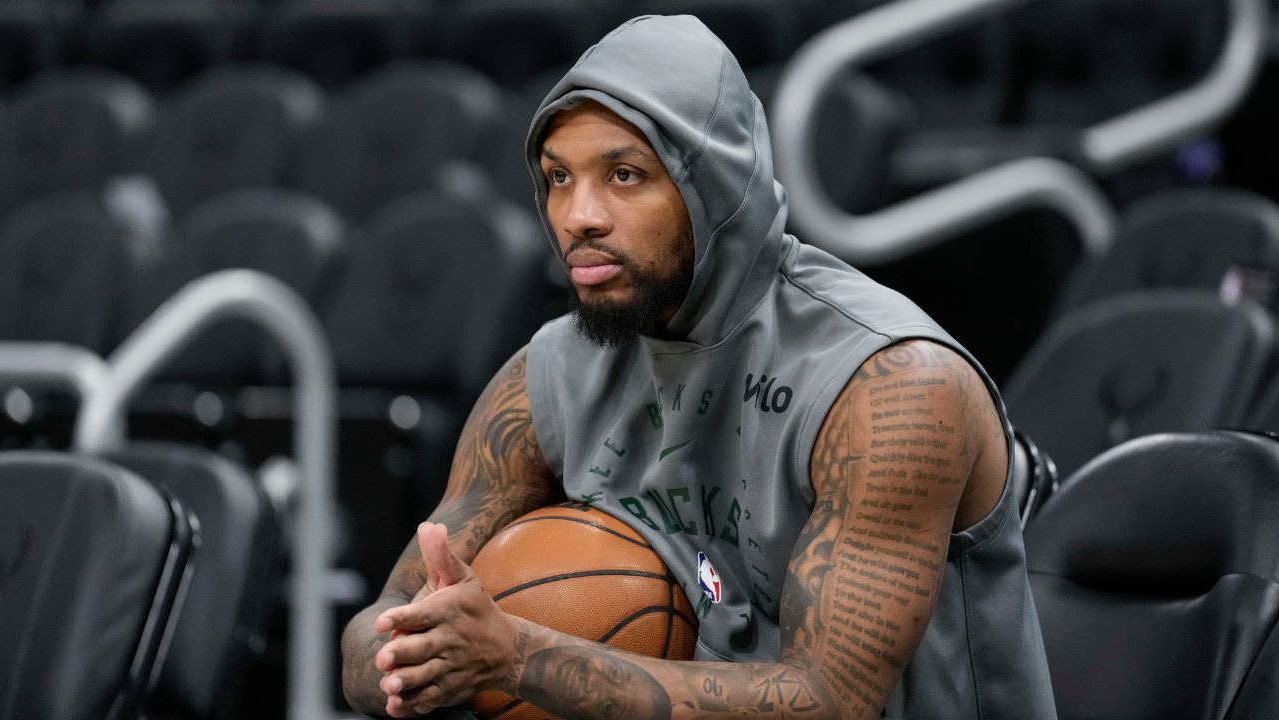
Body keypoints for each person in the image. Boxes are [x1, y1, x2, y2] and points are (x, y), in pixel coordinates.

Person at [342, 14, 1056, 719]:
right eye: (559, 177)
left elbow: (829, 701)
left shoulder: (893, 384)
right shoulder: (545, 378)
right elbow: (372, 630)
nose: (577, 216)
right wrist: (406, 656)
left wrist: (518, 656)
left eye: (624, 174)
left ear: (714, 188)